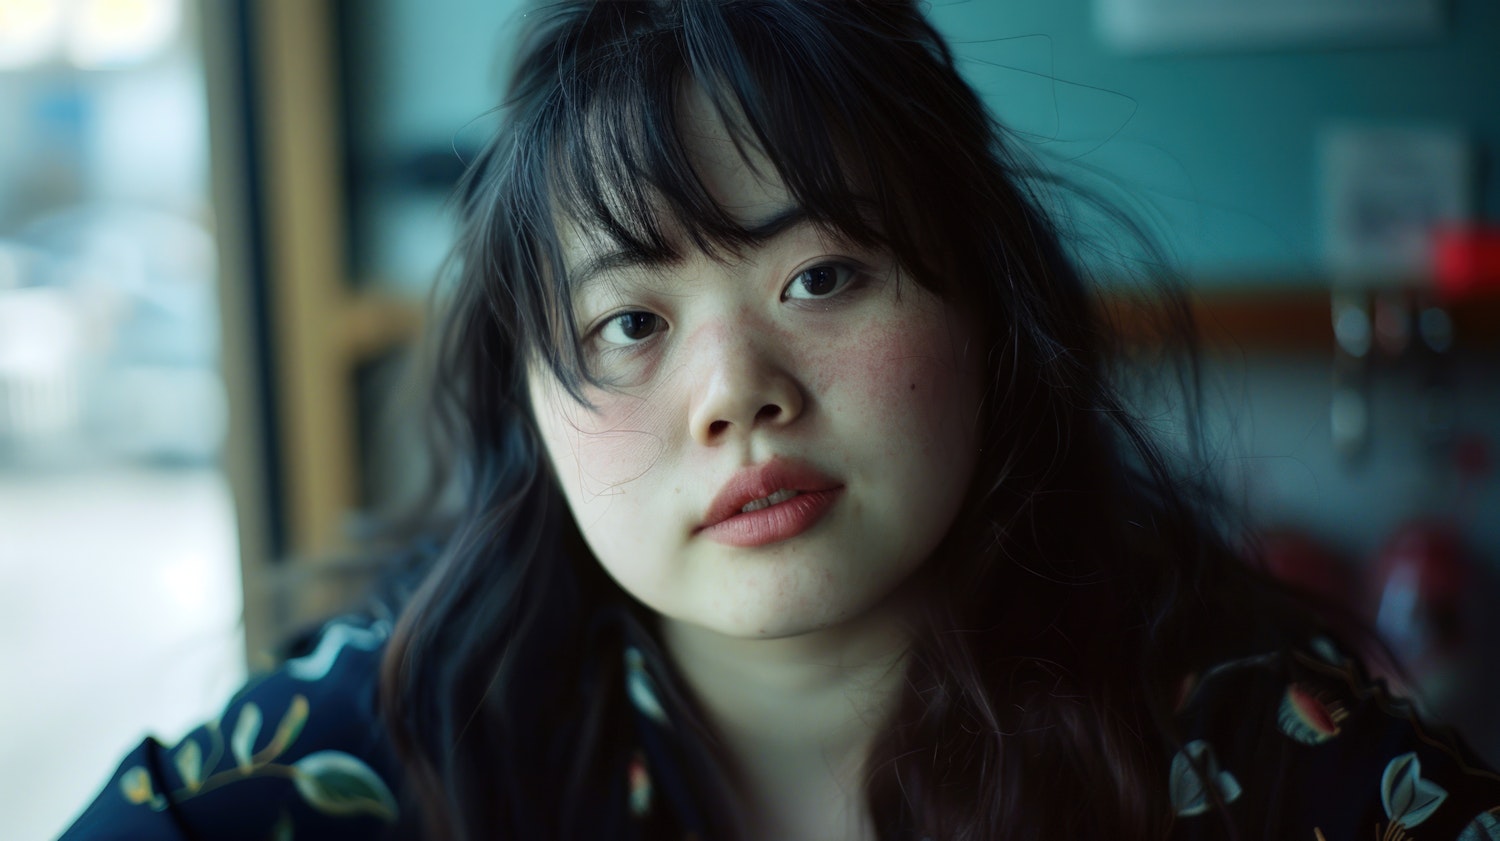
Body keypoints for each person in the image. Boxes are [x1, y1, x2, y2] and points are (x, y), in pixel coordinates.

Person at [59, 1, 1500, 839]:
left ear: (989, 314)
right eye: (630, 323)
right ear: (533, 405)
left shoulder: (1255, 733)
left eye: (822, 274)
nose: (737, 389)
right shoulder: (399, 739)